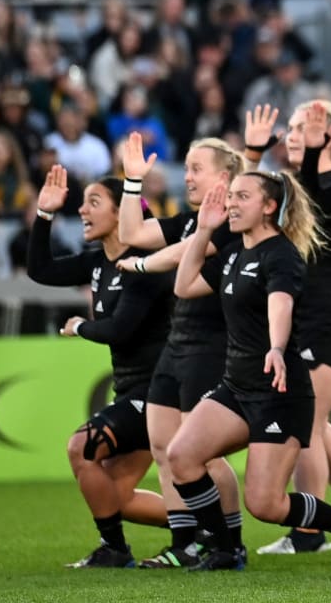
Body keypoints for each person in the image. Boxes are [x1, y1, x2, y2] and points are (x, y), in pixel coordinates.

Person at [169, 171, 331, 571]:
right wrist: (204, 229)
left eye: (242, 196)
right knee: (182, 457)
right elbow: (183, 285)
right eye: (229, 196)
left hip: (279, 391)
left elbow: (279, 304)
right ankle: (225, 550)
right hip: (237, 386)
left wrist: (278, 348)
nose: (231, 203)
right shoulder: (232, 251)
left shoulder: (281, 254)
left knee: (265, 504)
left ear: (268, 207)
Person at [247, 100, 331, 555]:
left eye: (302, 127)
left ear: (327, 137)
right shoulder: (297, 186)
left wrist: (305, 154)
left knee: (306, 425)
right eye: (291, 126)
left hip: (330, 319)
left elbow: (310, 200)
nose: (291, 133)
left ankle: (308, 533)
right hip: (308, 318)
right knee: (319, 426)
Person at [28, 166, 172, 568]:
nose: (83, 210)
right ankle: (208, 526)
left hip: (160, 393)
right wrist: (44, 215)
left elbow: (122, 329)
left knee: (81, 447)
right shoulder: (98, 262)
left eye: (94, 202)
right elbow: (41, 270)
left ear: (121, 212)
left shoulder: (146, 264)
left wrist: (80, 326)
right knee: (114, 495)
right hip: (132, 391)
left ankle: (115, 550)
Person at [115, 133, 245, 568]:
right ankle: (185, 541)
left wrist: (142, 263)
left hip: (212, 345)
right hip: (177, 344)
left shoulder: (230, 220)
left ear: (224, 178)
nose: (186, 177)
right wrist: (133, 182)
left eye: (196, 168)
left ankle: (229, 541)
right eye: (186, 168)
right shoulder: (190, 220)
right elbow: (131, 231)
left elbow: (182, 253)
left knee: (199, 452)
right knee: (163, 448)